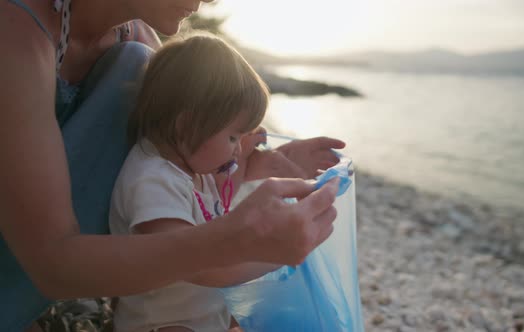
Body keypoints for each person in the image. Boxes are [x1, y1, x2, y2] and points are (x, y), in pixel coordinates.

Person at [0, 1, 345, 331]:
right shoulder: (16, 33)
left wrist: (266, 162)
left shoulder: (141, 48)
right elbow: (53, 262)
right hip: (95, 292)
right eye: (233, 137)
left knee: (138, 63)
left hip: (62, 277)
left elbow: (197, 162)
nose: (210, 0)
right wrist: (253, 247)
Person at [110, 32, 286, 332]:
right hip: (163, 323)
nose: (236, 147)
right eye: (232, 136)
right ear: (186, 124)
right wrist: (276, 255)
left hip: (202, 315)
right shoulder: (152, 181)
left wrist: (244, 155)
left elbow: (217, 203)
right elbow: (194, 264)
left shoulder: (192, 167)